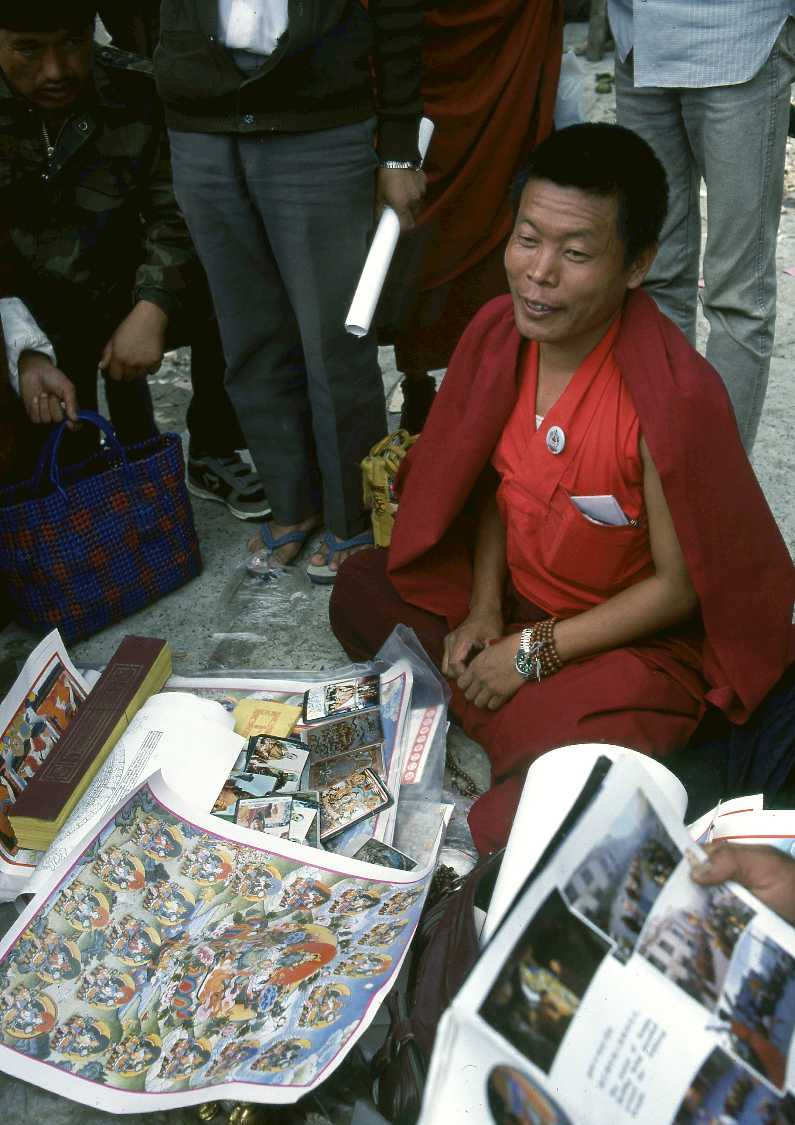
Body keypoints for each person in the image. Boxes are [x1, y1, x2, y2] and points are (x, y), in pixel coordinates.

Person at [330, 123, 795, 855]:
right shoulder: (496, 336)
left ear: (635, 265)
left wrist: (532, 653)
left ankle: (519, 720)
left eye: (574, 253)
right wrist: (484, 609)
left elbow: (679, 588)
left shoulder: (670, 398)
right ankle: (511, 716)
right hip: (519, 600)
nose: (537, 273)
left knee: (521, 818)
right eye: (527, 239)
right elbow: (488, 488)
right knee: (361, 587)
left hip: (626, 640)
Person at [153, 1, 425, 581]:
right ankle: (292, 503)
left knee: (337, 340)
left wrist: (400, 143)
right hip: (201, 123)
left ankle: (352, 515)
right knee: (247, 336)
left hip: (317, 121)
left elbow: (400, 10)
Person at [0, 1, 268, 519]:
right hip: (25, 312)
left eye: (73, 42)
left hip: (126, 288)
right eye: (29, 50)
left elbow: (179, 211)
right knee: (63, 479)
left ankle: (213, 445)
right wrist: (24, 351)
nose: (55, 70)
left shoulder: (137, 89)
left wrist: (154, 306)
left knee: (237, 275)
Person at [608, 2, 795, 452]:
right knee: (653, 277)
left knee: (737, 294)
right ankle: (664, 476)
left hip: (739, 36)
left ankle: (716, 494)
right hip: (638, 37)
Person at [379, 0, 563, 433]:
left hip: (502, 46)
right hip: (416, 54)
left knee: (500, 210)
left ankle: (492, 389)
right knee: (418, 224)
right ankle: (418, 379)